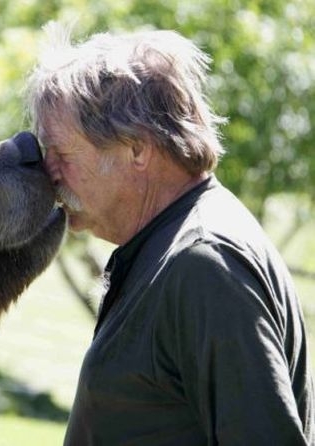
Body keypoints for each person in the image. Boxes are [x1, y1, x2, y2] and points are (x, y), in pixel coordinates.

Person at [26, 23, 314, 445]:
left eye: (61, 153)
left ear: (137, 149)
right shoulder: (172, 248)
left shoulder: (205, 265)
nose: (48, 173)